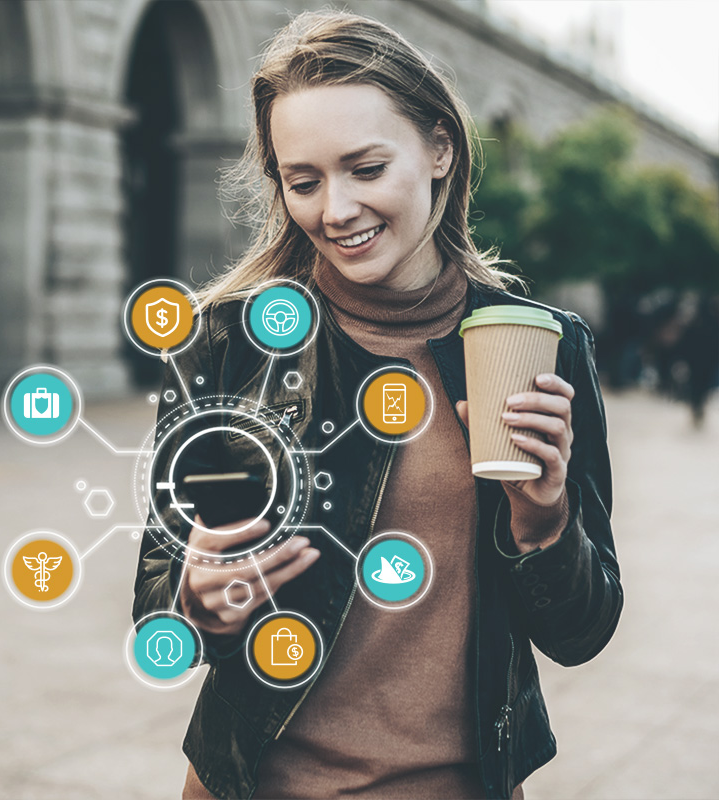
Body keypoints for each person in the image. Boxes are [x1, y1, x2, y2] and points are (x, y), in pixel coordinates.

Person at [133, 10, 623, 799]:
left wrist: (545, 523)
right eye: (304, 181)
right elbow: (158, 592)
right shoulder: (226, 342)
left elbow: (583, 632)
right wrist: (196, 605)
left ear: (439, 148)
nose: (335, 210)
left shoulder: (547, 348)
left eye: (365, 168)